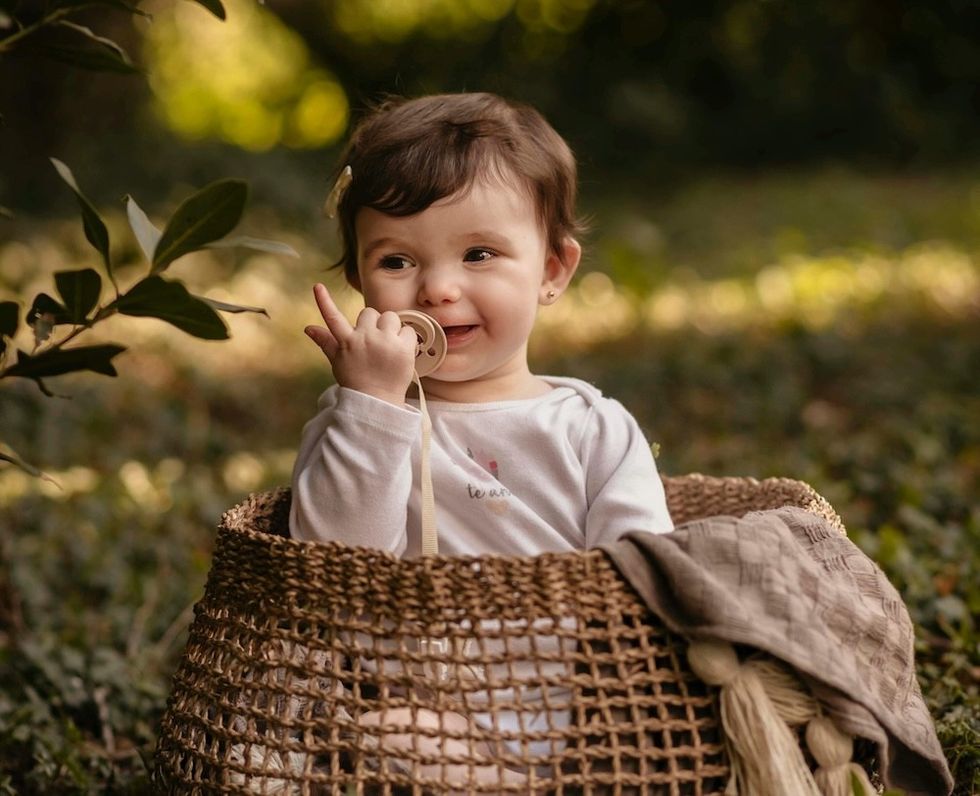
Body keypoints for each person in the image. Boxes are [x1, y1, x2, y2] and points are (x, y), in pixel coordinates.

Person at [289, 92, 673, 789]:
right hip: (401, 710)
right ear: (359, 284)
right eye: (397, 262)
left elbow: (647, 583)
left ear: (553, 271)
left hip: (567, 724)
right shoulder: (357, 420)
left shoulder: (591, 426)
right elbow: (326, 567)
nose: (438, 289)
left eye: (479, 253)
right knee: (362, 733)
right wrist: (371, 405)